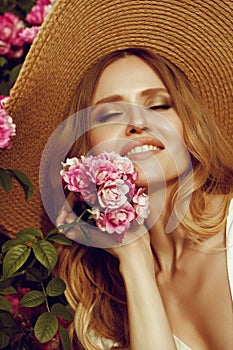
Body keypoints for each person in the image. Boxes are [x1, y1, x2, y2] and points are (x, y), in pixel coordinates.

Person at [1, 1, 232, 349]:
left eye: (157, 105)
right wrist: (136, 261)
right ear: (83, 149)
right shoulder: (103, 307)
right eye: (110, 115)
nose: (140, 123)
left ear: (189, 126)